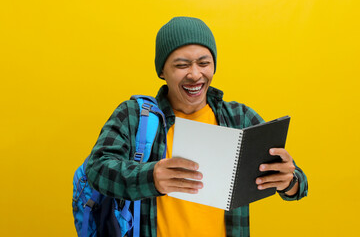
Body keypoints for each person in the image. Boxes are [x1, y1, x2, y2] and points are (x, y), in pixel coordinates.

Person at [86, 16, 308, 237]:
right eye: (182, 65)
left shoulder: (239, 118)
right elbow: (97, 169)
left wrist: (290, 181)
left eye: (204, 63)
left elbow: (297, 182)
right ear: (162, 71)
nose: (194, 74)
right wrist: (150, 177)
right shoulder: (135, 115)